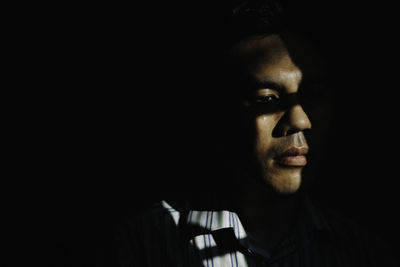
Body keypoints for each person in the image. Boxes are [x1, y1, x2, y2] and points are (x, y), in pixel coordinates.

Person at [113, 0, 398, 266]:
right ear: (217, 112)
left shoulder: (360, 251)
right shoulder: (146, 244)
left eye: (313, 94)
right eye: (267, 99)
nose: (300, 120)